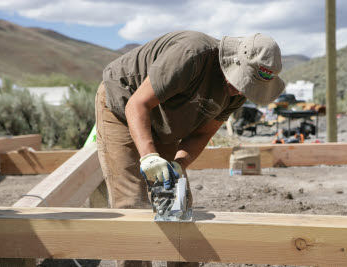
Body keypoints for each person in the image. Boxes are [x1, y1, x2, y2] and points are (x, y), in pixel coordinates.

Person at [95, 30, 285, 267]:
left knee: (176, 200)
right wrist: (149, 157)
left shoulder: (237, 93)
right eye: (241, 82)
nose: (240, 91)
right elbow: (137, 105)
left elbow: (202, 133)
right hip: (124, 103)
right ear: (234, 62)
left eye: (248, 87)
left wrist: (179, 164)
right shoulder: (192, 55)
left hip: (164, 119)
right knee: (132, 201)